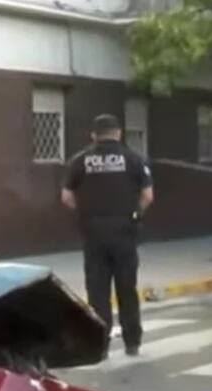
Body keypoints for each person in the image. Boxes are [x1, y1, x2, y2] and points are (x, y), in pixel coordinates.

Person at [61, 114, 154, 356]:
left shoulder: (80, 161)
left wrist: (86, 212)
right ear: (118, 133)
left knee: (97, 292)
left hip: (93, 233)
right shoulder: (133, 159)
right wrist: (136, 214)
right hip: (125, 232)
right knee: (127, 288)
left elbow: (67, 197)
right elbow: (148, 196)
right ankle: (132, 342)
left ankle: (99, 345)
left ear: (94, 135)